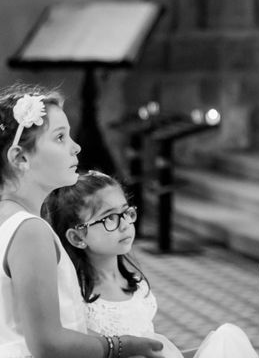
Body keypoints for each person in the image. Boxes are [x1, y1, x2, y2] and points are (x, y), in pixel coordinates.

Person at [0, 83, 163, 358]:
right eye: (60, 137)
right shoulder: (29, 230)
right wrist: (121, 346)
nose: (76, 147)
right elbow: (47, 344)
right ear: (20, 157)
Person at [43, 169, 259, 358]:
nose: (125, 224)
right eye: (109, 218)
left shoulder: (137, 285)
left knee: (227, 338)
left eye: (126, 212)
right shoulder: (74, 295)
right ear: (77, 237)